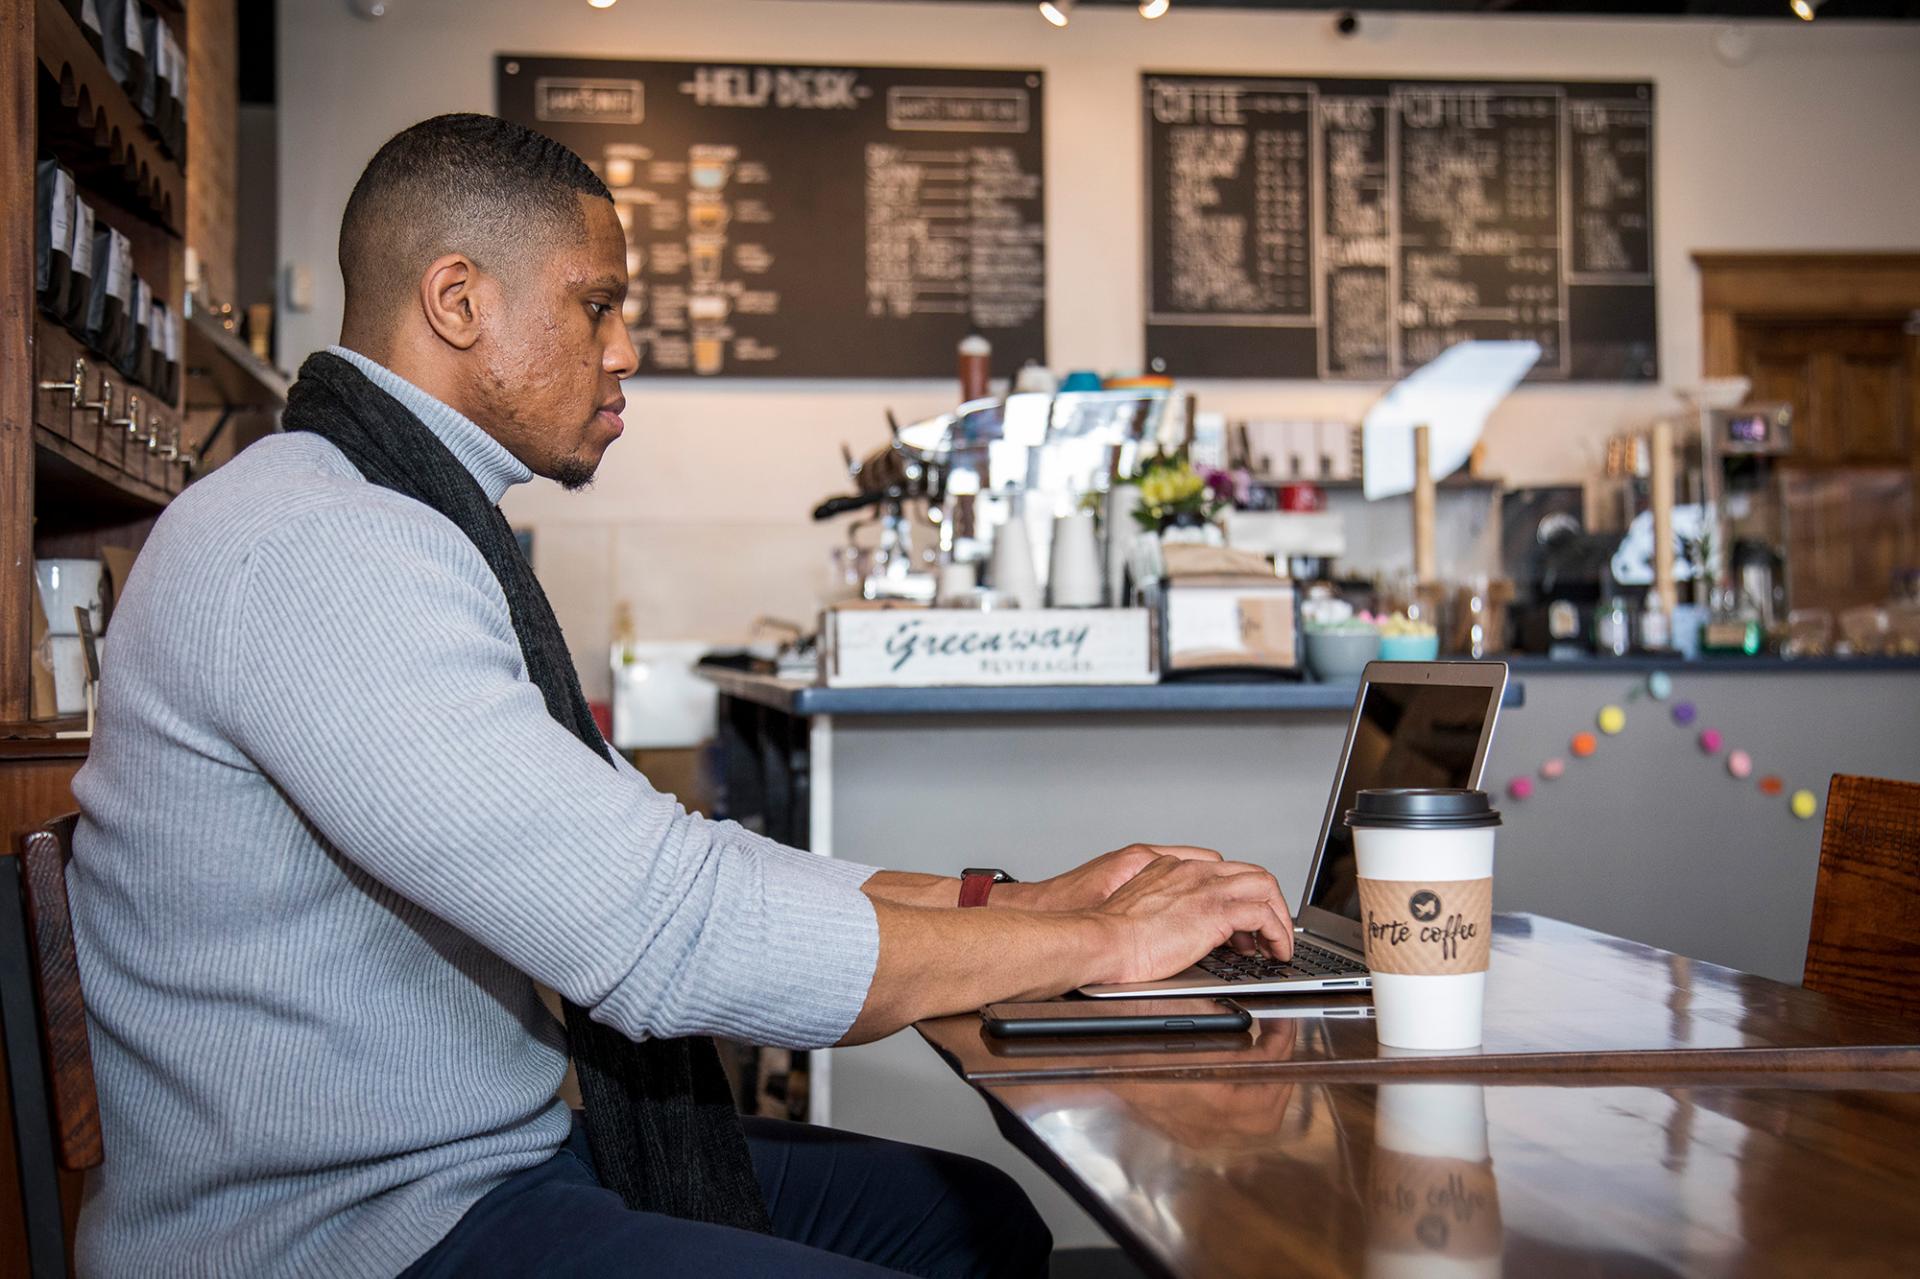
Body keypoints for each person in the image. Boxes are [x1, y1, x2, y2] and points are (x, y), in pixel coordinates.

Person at [67, 113, 1295, 1279]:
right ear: (458, 301)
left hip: (472, 1165)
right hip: (344, 1236)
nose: (626, 349)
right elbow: (656, 933)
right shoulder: (321, 546)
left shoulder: (386, 518)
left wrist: (1019, 904)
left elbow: (659, 854)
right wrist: (1100, 941)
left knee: (974, 1219)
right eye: (595, 304)